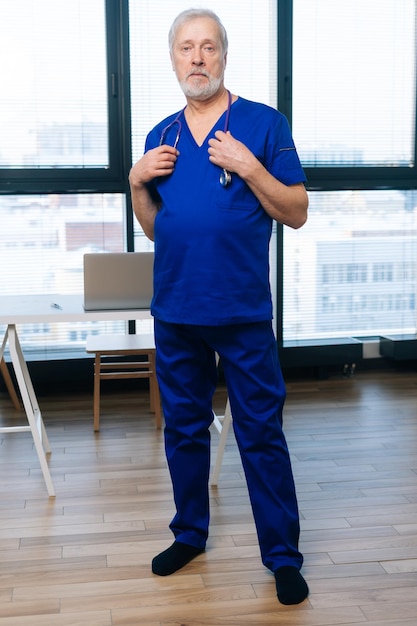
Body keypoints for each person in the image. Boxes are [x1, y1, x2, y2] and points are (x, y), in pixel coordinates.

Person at [129, 8, 309, 605]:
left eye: (208, 46)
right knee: (183, 430)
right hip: (176, 309)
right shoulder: (161, 136)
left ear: (224, 55)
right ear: (173, 59)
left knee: (261, 434)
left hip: (242, 312)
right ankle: (190, 534)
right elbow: (159, 230)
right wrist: (135, 184)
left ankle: (282, 557)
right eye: (186, 48)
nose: (197, 58)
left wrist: (249, 166)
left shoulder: (262, 125)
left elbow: (296, 210)